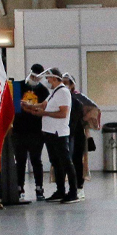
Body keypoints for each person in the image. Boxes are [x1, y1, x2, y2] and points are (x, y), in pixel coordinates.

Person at [39, 68, 80, 203]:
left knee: (66, 162)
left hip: (58, 133)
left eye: (48, 78)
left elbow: (63, 113)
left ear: (55, 78)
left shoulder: (63, 92)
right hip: (50, 133)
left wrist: (44, 113)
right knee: (56, 162)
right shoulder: (54, 92)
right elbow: (43, 105)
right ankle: (60, 190)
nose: (47, 80)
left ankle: (73, 192)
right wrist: (29, 106)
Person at [12, 64, 49, 202]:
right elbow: (14, 106)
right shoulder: (18, 87)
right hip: (19, 130)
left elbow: (44, 109)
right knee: (20, 161)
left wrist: (29, 107)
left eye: (38, 78)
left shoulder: (44, 91)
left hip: (36, 131)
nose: (35, 80)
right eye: (33, 77)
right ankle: (19, 188)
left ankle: (39, 188)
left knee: (36, 160)